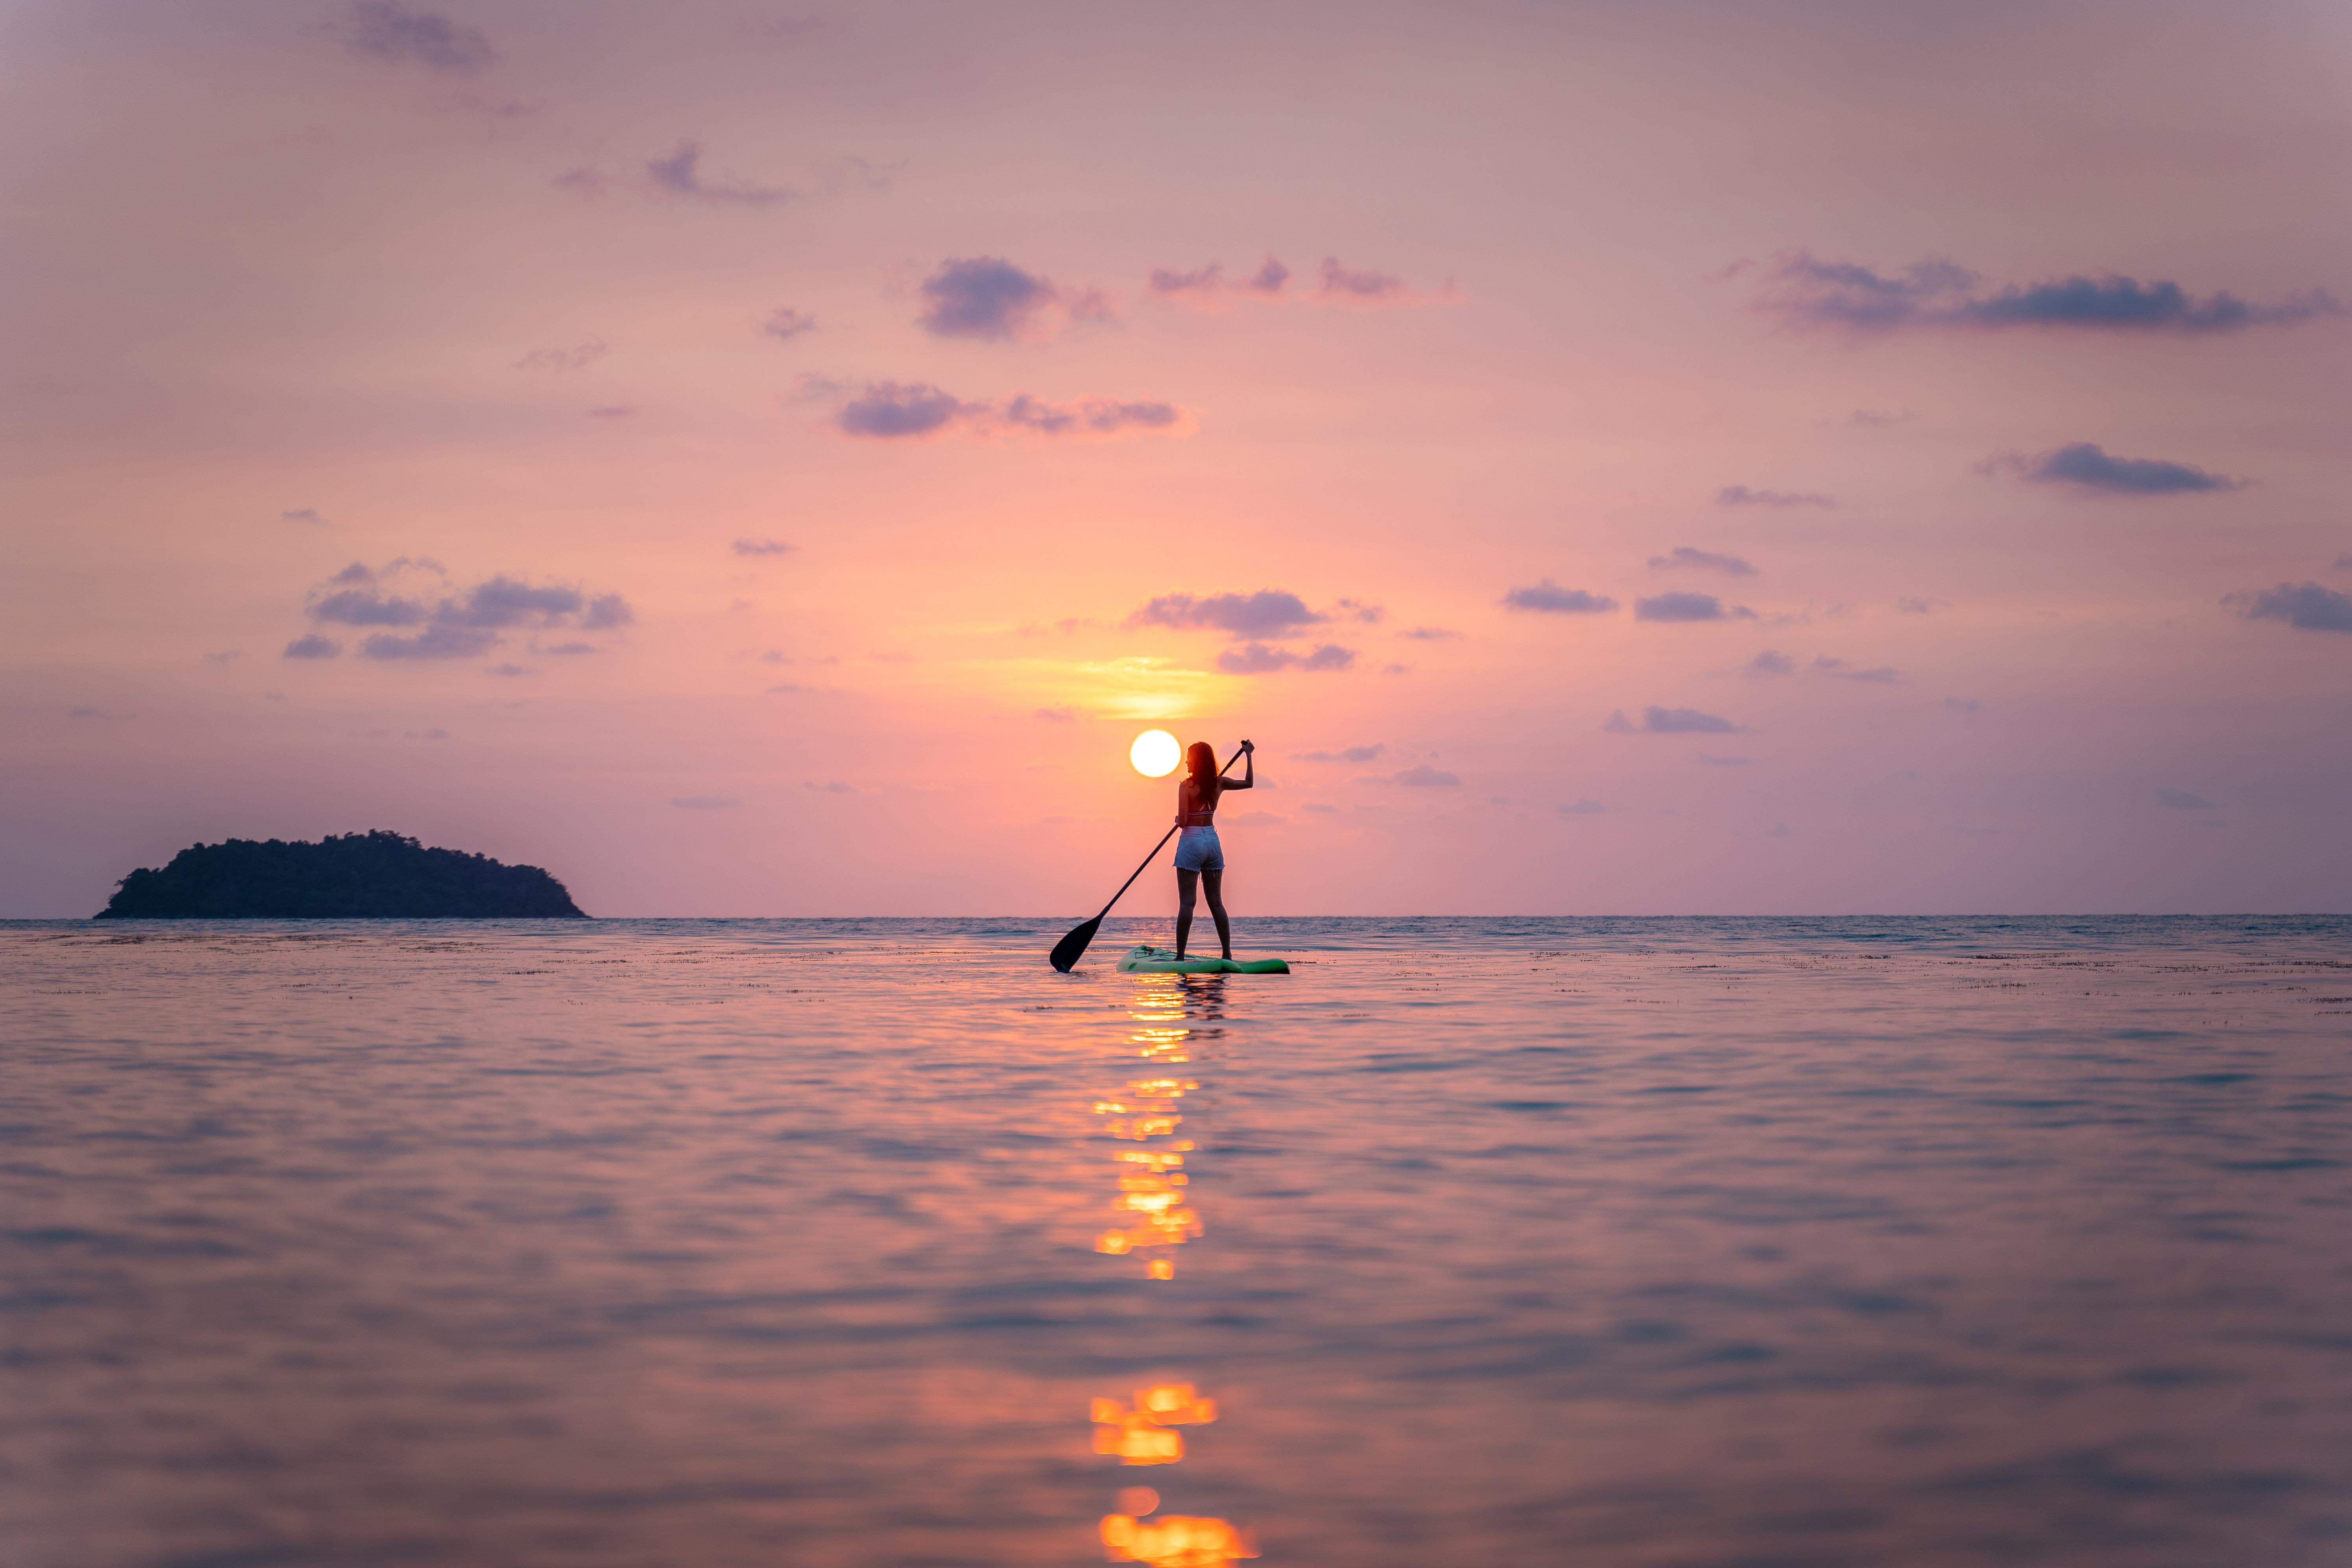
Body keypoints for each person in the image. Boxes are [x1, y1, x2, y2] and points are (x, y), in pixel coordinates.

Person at [1172, 738, 1252, 960]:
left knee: (1187, 903)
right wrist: (1248, 755)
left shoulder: (1186, 787)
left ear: (1197, 761)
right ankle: (1227, 954)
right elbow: (1249, 783)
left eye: (1189, 758)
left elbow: (1184, 822)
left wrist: (1178, 818)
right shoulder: (1220, 783)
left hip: (1192, 843)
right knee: (1217, 902)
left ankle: (1180, 957)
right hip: (1213, 843)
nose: (1186, 762)